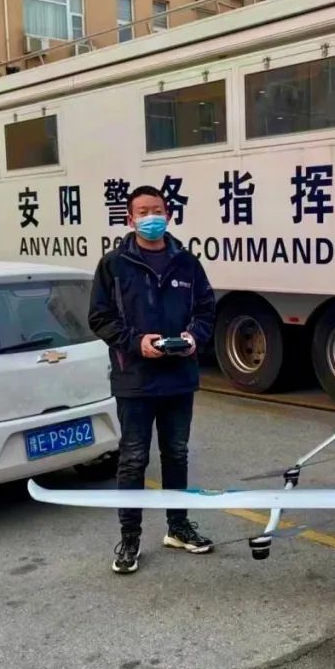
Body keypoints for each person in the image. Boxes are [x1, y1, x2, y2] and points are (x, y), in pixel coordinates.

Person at [88, 184, 217, 574]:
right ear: (130, 219)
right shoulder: (114, 265)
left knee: (176, 454)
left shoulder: (187, 263)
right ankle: (130, 538)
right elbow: (100, 317)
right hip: (135, 379)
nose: (151, 218)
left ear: (169, 215)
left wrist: (194, 338)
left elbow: (206, 309)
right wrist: (136, 343)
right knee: (133, 460)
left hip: (179, 378)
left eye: (157, 210)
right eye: (142, 212)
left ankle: (178, 527)